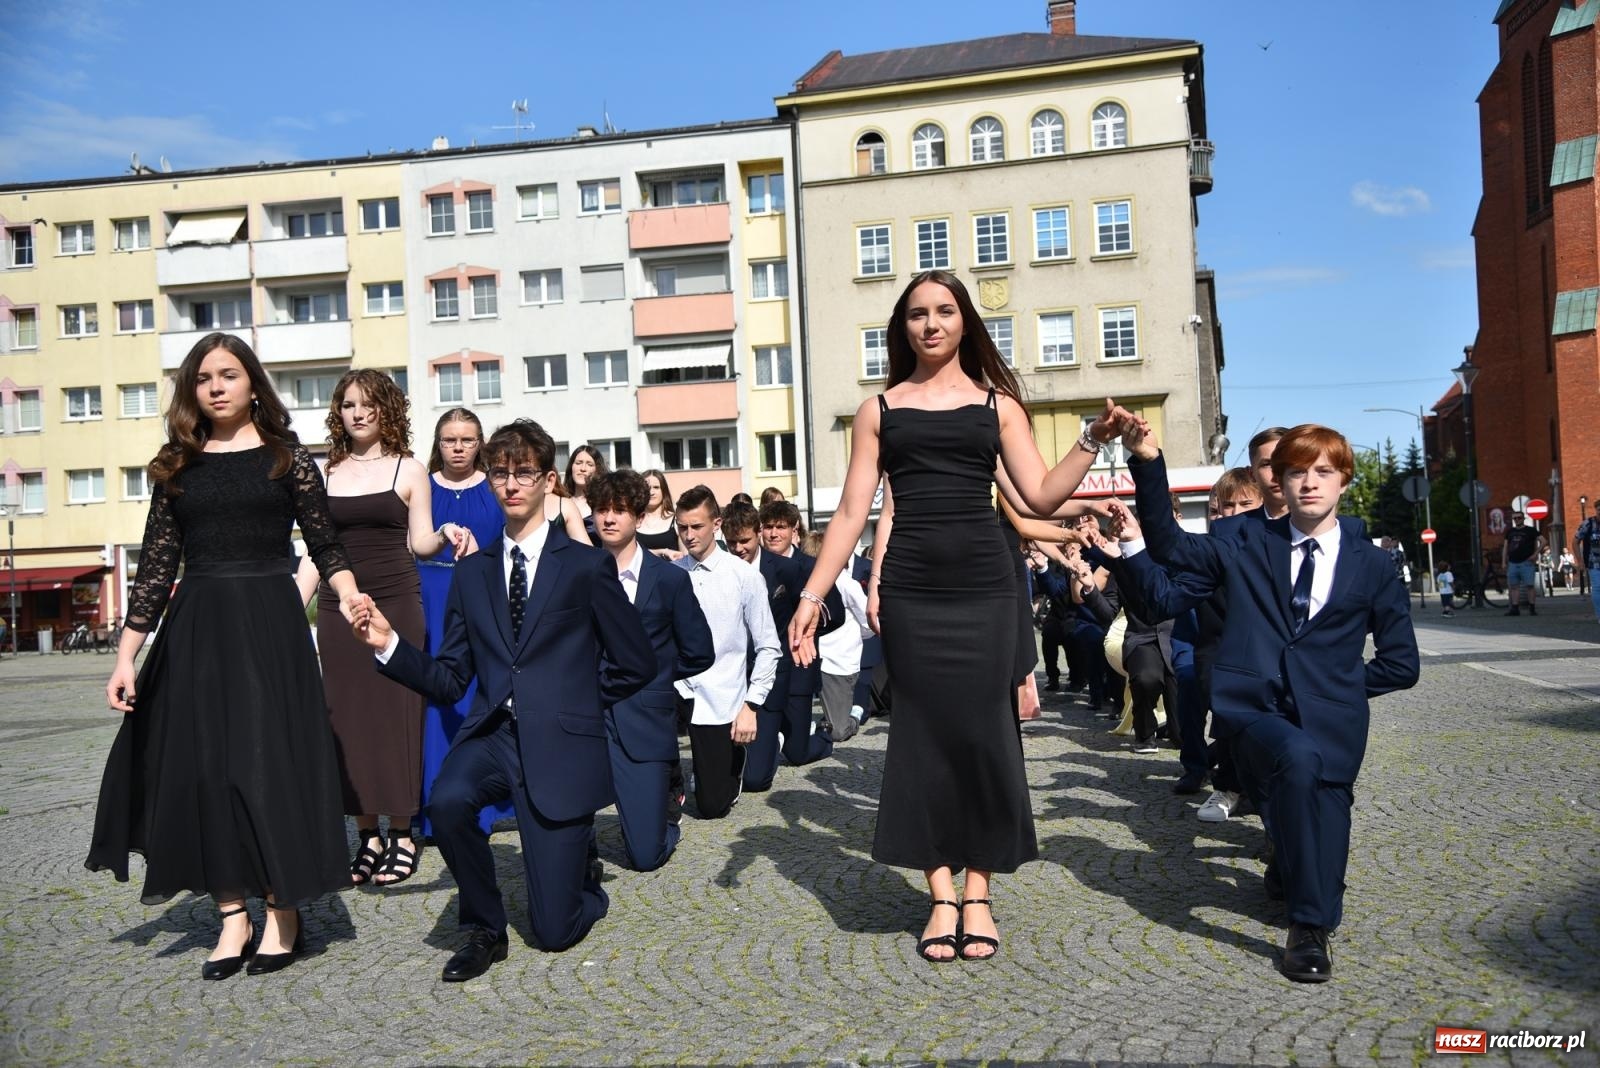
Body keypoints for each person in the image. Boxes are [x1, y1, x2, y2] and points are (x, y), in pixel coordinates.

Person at [789, 270, 1114, 963]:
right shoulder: (880, 409)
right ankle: (940, 893)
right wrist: (813, 595)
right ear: (901, 328)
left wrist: (1091, 439)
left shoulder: (998, 406)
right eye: (915, 315)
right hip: (912, 593)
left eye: (942, 311)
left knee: (986, 739)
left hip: (987, 590)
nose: (930, 324)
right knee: (922, 740)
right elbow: (852, 512)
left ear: (964, 319)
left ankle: (979, 892)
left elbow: (1036, 494)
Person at [87, 333, 363, 980]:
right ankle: (231, 913)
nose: (215, 386)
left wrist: (351, 599)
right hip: (198, 628)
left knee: (267, 766)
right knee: (207, 770)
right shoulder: (176, 465)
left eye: (228, 374)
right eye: (203, 377)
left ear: (252, 384)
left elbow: (326, 547)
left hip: (270, 625)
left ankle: (282, 909)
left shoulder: (286, 460)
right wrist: (126, 657)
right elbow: (156, 569)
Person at [1115, 416, 1419, 983]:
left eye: (1322, 472)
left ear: (1343, 481)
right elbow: (1170, 545)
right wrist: (1147, 462)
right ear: (1279, 480)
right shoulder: (1245, 544)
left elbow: (1402, 666)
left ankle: (1304, 885)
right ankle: (1308, 931)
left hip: (1335, 719)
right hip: (1256, 711)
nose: (1309, 483)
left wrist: (1337, 687)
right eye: (1296, 472)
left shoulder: (1374, 565)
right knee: (1296, 763)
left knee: (1330, 824)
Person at [353, 420, 654, 981]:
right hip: (495, 735)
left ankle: (581, 877)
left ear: (548, 481)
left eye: (524, 473)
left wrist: (578, 706)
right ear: (491, 481)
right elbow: (450, 679)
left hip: (560, 746)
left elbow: (636, 662)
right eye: (501, 474)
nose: (511, 484)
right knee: (447, 802)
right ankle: (484, 928)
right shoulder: (473, 573)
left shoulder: (587, 566)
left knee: (555, 932)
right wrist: (389, 645)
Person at [320, 370, 472, 888]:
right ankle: (367, 835)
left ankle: (404, 832)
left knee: (397, 714)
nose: (357, 413)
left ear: (387, 409)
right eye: (347, 405)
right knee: (347, 720)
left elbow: (420, 542)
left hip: (396, 601)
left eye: (367, 404)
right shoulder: (327, 471)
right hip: (339, 606)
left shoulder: (409, 468)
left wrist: (446, 533)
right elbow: (316, 553)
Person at [587, 470, 714, 870]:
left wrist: (656, 675)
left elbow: (699, 651)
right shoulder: (576, 572)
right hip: (585, 715)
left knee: (645, 856)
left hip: (645, 717)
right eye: (601, 510)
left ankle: (666, 817)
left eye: (620, 510)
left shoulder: (668, 580)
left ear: (639, 518)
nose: (609, 518)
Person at [418, 408, 514, 840]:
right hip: (429, 596)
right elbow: (411, 543)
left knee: (478, 693)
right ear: (437, 444)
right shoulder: (422, 484)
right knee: (434, 700)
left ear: (480, 444)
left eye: (468, 439)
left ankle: (484, 803)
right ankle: (433, 801)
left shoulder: (496, 487)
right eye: (449, 440)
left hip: (481, 595)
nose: (458, 447)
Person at [672, 487, 781, 819]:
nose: (688, 535)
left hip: (720, 697)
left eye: (696, 527)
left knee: (710, 806)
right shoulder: (672, 574)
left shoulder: (744, 576)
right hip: (675, 691)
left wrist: (751, 705)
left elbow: (768, 647)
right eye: (682, 527)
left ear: (716, 524)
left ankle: (736, 760)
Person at [736, 500, 844, 789]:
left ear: (794, 529)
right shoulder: (744, 563)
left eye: (780, 527)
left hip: (797, 665)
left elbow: (837, 614)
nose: (773, 534)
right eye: (768, 527)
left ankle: (822, 736)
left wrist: (805, 634)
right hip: (760, 672)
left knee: (797, 752)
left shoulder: (810, 567)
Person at [1501, 512, 1544, 616]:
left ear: (1523, 518)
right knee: (1513, 586)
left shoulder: (1531, 530)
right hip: (1512, 562)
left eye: (1519, 518)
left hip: (1527, 562)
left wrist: (1535, 554)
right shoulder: (1510, 531)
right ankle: (1515, 608)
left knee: (1529, 585)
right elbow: (1506, 547)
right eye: (1514, 518)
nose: (1517, 520)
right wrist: (1503, 561)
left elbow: (1543, 541)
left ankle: (1532, 608)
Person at [637, 469, 685, 560]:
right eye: (647, 488)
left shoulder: (677, 520)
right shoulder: (632, 520)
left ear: (664, 491)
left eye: (656, 487)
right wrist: (663, 552)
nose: (651, 492)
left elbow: (685, 558)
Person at [564, 444, 606, 538]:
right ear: (571, 467)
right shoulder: (560, 502)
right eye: (578, 463)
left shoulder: (604, 503)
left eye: (589, 464)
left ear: (597, 470)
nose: (583, 469)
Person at [1577, 506, 1600, 621]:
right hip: (1593, 562)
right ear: (1596, 510)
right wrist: (1580, 560)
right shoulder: (1588, 524)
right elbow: (1575, 541)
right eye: (1599, 509)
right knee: (1597, 588)